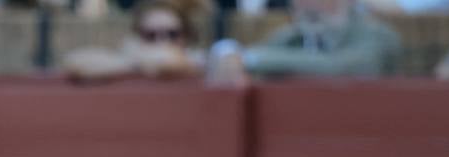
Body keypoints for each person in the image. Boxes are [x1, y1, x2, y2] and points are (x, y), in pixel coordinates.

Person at [205, 0, 401, 84]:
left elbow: (337, 66)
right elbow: (253, 52)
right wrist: (227, 50)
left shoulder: (377, 35)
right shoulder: (294, 35)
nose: (304, 3)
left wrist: (247, 59)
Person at [62, 0, 207, 83]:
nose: (162, 41)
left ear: (186, 35)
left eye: (172, 34)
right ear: (137, 37)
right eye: (151, 35)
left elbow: (173, 63)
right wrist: (135, 62)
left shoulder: (198, 58)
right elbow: (74, 63)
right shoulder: (131, 60)